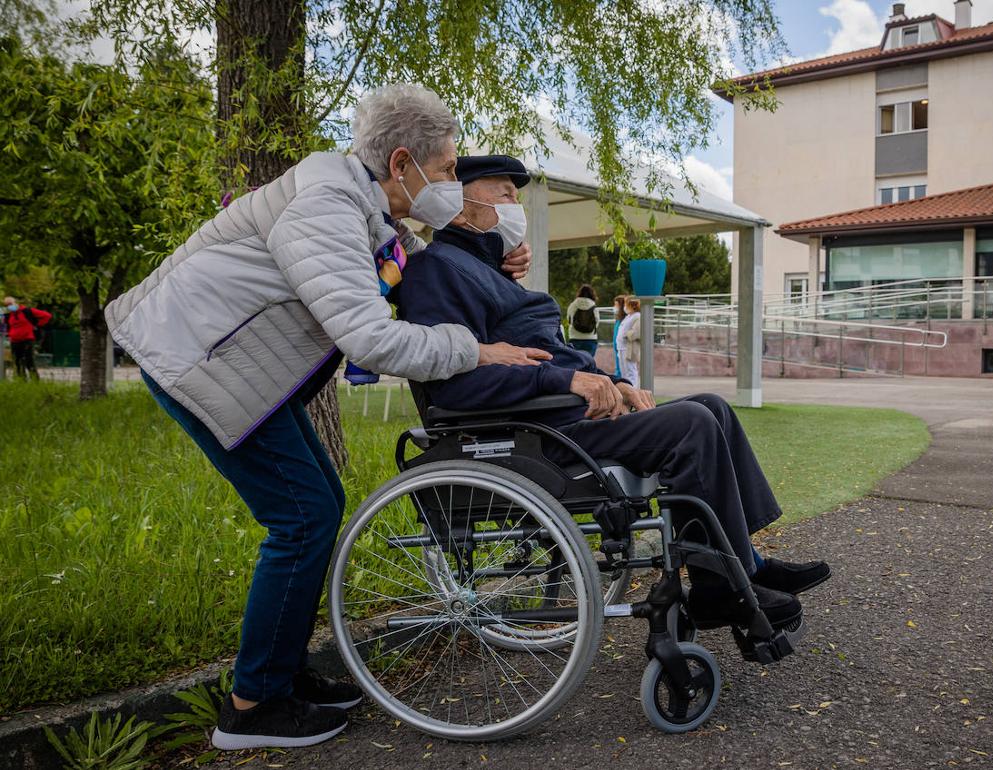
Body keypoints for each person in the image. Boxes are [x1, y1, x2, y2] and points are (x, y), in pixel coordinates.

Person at [105, 85, 550, 752]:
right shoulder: (326, 207)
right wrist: (478, 349)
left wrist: (498, 257)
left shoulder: (368, 213)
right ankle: (251, 708)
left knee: (317, 504)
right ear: (403, 164)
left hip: (233, 359)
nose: (455, 185)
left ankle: (277, 677)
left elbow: (410, 273)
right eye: (452, 169)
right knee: (302, 515)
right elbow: (371, 339)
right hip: (195, 359)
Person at [398, 154, 830, 635]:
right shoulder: (436, 270)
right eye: (504, 195)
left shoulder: (488, 269)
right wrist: (562, 382)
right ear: (462, 205)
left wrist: (616, 383)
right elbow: (458, 384)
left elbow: (555, 353)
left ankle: (742, 564)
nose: (515, 206)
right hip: (533, 433)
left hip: (561, 420)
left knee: (711, 407)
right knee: (692, 424)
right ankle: (720, 587)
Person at [2, 296, 51, 381]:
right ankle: (22, 381)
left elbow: (47, 316)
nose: (9, 306)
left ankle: (35, 381)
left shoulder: (27, 311)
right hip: (14, 341)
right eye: (7, 305)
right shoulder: (9, 315)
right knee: (17, 363)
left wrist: (37, 325)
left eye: (10, 304)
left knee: (29, 362)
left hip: (27, 340)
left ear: (15, 303)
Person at [565, 284, 599, 357]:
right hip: (590, 338)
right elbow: (597, 322)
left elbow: (569, 320)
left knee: (576, 362)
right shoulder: (594, 306)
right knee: (589, 363)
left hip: (575, 337)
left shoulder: (572, 305)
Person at [615, 296, 641, 386]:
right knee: (624, 372)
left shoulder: (637, 316)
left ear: (632, 305)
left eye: (626, 304)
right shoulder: (628, 316)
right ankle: (628, 389)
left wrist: (626, 335)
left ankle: (634, 389)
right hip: (621, 347)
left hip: (628, 348)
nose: (625, 306)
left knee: (631, 371)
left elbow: (637, 332)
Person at [610, 294, 627, 377]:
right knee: (618, 365)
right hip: (617, 345)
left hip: (622, 346)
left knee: (623, 368)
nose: (614, 307)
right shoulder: (618, 319)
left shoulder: (624, 319)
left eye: (616, 305)